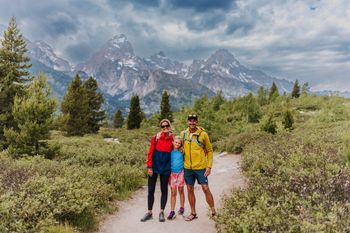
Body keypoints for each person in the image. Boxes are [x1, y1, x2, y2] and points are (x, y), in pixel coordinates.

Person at [180, 113, 216, 221]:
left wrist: (209, 166)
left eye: (194, 120)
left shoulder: (203, 134)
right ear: (187, 122)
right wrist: (180, 150)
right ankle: (193, 213)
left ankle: (214, 211)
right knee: (190, 189)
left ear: (197, 122)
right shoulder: (183, 134)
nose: (192, 122)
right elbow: (178, 146)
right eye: (190, 120)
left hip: (200, 167)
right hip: (187, 168)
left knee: (205, 188)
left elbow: (209, 150)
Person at [141, 119, 173, 222]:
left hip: (166, 168)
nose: (165, 128)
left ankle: (161, 212)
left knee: (164, 190)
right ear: (161, 128)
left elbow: (177, 150)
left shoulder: (173, 139)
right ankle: (149, 212)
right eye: (163, 126)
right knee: (151, 190)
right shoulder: (156, 138)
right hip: (154, 167)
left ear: (169, 126)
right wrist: (149, 167)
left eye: (166, 126)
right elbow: (150, 153)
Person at [167, 136, 185, 220]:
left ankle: (182, 207)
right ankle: (172, 211)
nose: (177, 144)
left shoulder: (182, 152)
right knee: (173, 192)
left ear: (181, 144)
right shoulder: (169, 152)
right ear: (173, 142)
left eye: (179, 143)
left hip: (181, 172)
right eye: (176, 142)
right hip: (172, 174)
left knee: (181, 190)